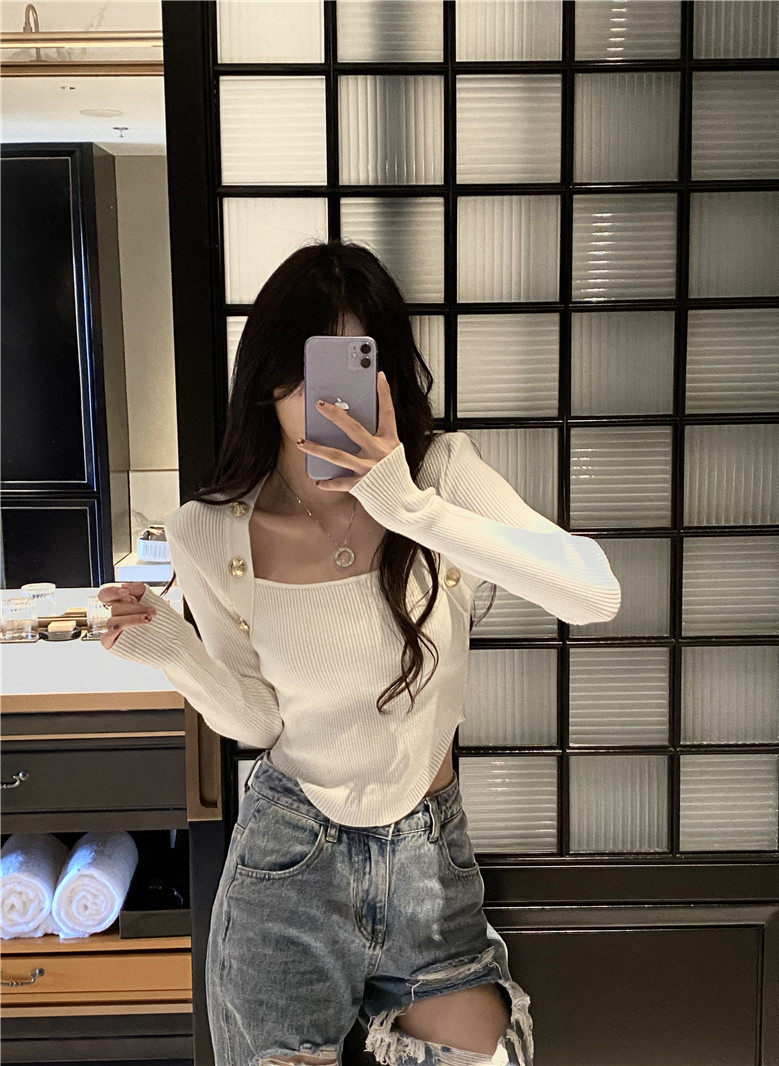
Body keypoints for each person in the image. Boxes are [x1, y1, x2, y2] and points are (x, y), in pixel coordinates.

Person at [99, 239, 622, 1066]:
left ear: (387, 373)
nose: (326, 399)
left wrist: (407, 507)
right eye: (306, 370)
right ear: (267, 376)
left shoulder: (440, 476)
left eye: (354, 365)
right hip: (288, 864)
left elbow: (593, 594)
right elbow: (256, 722)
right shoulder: (209, 531)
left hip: (428, 859)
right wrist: (173, 649)